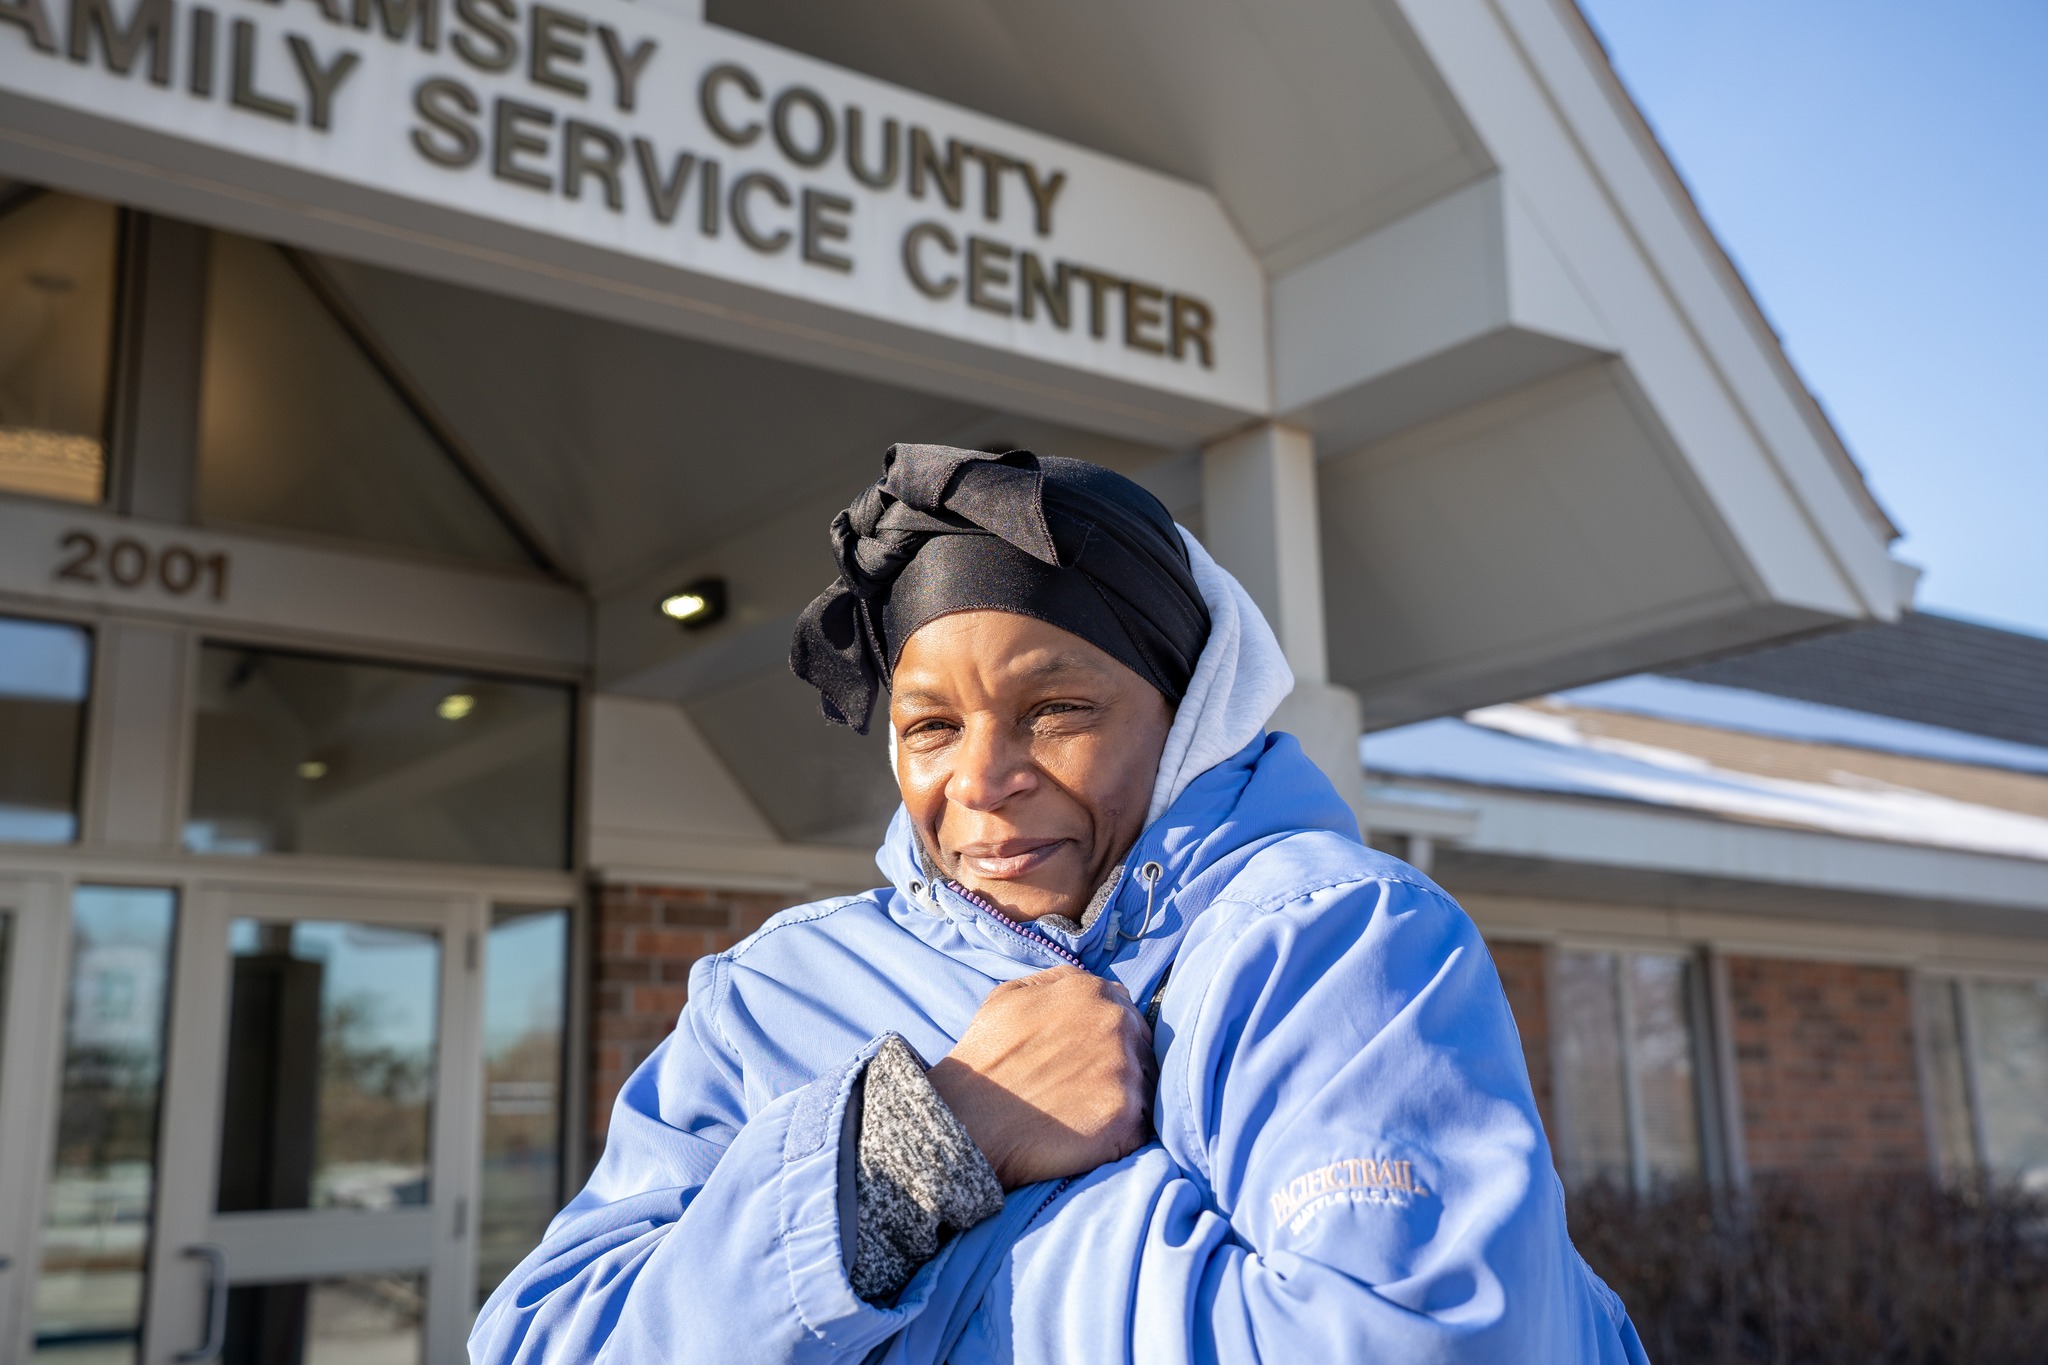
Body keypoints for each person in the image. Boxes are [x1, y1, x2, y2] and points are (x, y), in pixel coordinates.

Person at [471, 445, 1650, 1364]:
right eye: (929, 725)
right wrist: (927, 1142)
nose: (980, 781)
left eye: (1054, 712)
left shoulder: (1328, 942)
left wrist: (839, 1308)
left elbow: (1418, 1338)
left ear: (1187, 713)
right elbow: (547, 1341)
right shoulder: (771, 994)